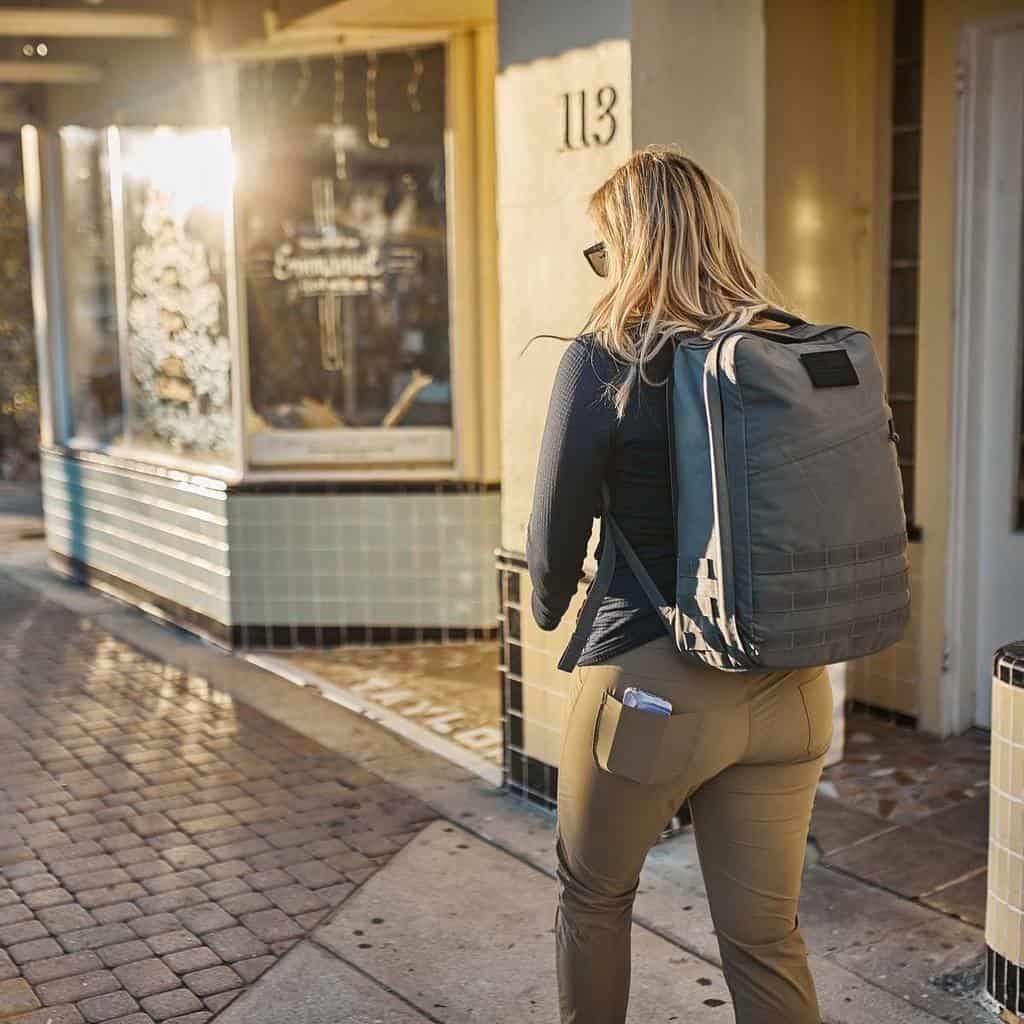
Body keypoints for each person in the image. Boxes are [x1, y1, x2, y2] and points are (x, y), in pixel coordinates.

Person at [527, 146, 833, 1024]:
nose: (604, 270)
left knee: (593, 898)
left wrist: (551, 610)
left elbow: (553, 534)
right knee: (766, 941)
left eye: (605, 250)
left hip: (653, 689)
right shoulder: (790, 353)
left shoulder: (606, 360)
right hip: (794, 688)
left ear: (634, 248)